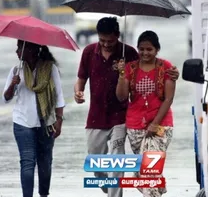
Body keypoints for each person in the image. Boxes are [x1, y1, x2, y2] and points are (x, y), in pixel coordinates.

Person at [73, 17, 178, 197]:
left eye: (110, 41)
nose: (106, 44)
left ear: (118, 36)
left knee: (117, 160)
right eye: (102, 40)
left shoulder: (128, 53)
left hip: (120, 118)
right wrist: (78, 92)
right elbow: (81, 79)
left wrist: (173, 73)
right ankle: (108, 183)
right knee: (95, 160)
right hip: (96, 116)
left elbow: (149, 62)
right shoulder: (89, 52)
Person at [3, 40, 65, 197]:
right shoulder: (17, 70)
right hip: (22, 122)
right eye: (17, 48)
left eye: (20, 48)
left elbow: (59, 96)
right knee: (27, 162)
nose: (17, 52)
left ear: (32, 50)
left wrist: (59, 120)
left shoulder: (50, 69)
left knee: (45, 164)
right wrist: (13, 84)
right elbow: (6, 97)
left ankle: (44, 194)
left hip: (46, 122)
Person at [116, 30, 175, 197]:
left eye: (149, 49)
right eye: (141, 49)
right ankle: (157, 187)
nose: (145, 53)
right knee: (144, 172)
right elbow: (121, 96)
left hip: (161, 125)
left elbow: (169, 98)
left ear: (157, 50)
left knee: (148, 170)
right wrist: (121, 74)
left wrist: (155, 123)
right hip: (135, 126)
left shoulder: (166, 68)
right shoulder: (130, 68)